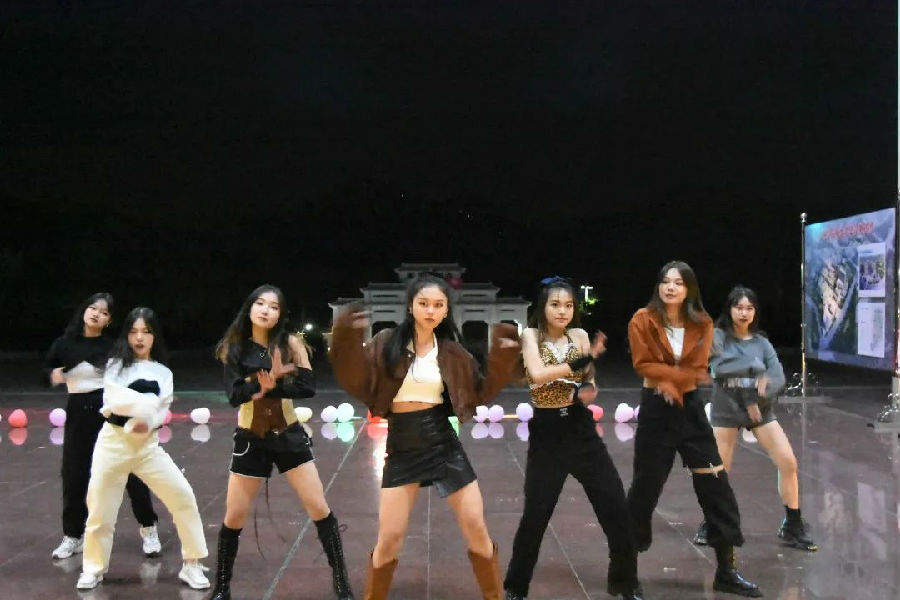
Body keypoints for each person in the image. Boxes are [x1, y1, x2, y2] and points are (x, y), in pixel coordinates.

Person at [330, 274, 520, 600]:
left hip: (443, 443)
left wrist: (503, 357)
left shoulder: (452, 353)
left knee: (476, 526)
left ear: (446, 311)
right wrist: (346, 337)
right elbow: (357, 381)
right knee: (390, 538)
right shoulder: (387, 343)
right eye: (424, 303)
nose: (430, 310)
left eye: (438, 305)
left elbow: (479, 391)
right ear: (410, 306)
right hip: (402, 446)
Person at [208, 285, 353, 600]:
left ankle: (342, 584)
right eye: (260, 303)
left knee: (318, 507)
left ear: (281, 314)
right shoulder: (234, 348)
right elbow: (234, 395)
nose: (265, 310)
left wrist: (271, 386)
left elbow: (307, 387)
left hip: (289, 435)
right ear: (249, 307)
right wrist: (259, 383)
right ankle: (222, 587)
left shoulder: (291, 343)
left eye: (273, 306)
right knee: (234, 515)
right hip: (250, 439)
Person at [626, 261, 761, 597]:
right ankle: (625, 572)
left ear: (689, 289)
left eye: (678, 282)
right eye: (665, 281)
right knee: (645, 489)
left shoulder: (702, 323)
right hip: (656, 411)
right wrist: (671, 380)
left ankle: (726, 571)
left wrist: (672, 381)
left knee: (716, 486)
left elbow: (700, 369)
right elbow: (643, 363)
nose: (671, 287)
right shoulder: (642, 319)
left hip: (690, 409)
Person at [504, 277, 642, 600]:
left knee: (615, 506)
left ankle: (625, 583)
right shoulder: (531, 336)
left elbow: (588, 380)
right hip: (547, 433)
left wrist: (588, 387)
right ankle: (515, 588)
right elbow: (538, 374)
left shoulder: (579, 336)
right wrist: (583, 359)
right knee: (536, 514)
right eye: (555, 305)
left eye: (568, 305)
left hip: (580, 430)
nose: (562, 311)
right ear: (543, 307)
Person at [77, 307, 209, 590]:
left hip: (147, 447)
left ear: (154, 336)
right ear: (126, 335)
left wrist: (148, 421)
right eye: (134, 331)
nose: (139, 338)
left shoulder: (163, 372)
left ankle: (193, 564)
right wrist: (149, 405)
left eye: (146, 332)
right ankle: (93, 568)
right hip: (113, 444)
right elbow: (115, 400)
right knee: (100, 510)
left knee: (183, 496)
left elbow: (162, 412)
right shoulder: (115, 366)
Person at [692, 285, 816, 552]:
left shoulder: (762, 342)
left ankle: (793, 523)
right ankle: (712, 522)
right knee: (718, 470)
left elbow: (778, 378)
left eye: (749, 308)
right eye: (739, 307)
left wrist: (757, 397)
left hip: (760, 411)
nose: (744, 313)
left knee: (788, 462)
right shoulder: (718, 336)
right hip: (726, 409)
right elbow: (720, 368)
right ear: (730, 309)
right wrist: (755, 370)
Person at [44, 292, 161, 560]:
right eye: (93, 308)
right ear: (84, 310)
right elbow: (46, 371)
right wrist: (54, 374)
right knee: (74, 474)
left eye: (104, 312)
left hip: (109, 409)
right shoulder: (64, 344)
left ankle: (149, 528)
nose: (97, 314)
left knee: (130, 472)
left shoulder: (114, 347)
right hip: (78, 411)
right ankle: (73, 535)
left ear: (109, 321)